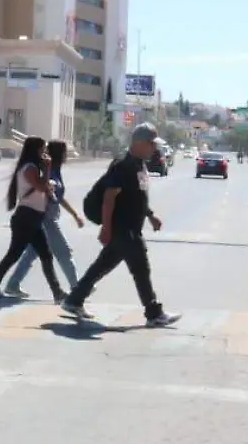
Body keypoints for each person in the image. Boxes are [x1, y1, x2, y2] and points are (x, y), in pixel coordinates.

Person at [62, 123, 177, 327]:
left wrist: (150, 215)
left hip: (130, 226)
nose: (154, 149)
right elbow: (109, 197)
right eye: (151, 144)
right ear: (140, 143)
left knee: (102, 266)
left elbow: (137, 195)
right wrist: (106, 228)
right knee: (141, 268)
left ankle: (73, 300)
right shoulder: (123, 164)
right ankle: (153, 313)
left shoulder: (139, 164)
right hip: (124, 228)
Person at [0, 136, 65, 302]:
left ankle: (57, 292)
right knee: (14, 255)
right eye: (42, 149)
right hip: (26, 218)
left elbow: (42, 188)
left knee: (46, 255)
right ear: (35, 150)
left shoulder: (34, 167)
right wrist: (48, 167)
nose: (44, 153)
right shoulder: (29, 168)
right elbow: (41, 187)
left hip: (34, 218)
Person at [2, 139, 81, 298]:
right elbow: (44, 191)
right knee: (64, 252)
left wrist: (74, 214)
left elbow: (58, 197)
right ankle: (78, 289)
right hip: (46, 218)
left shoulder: (56, 170)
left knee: (31, 254)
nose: (67, 155)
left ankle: (13, 284)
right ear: (60, 153)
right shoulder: (49, 171)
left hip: (48, 217)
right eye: (65, 152)